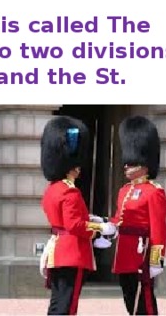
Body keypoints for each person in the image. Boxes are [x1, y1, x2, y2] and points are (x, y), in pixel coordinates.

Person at [39, 116, 116, 315]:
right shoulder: (70, 192)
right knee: (68, 305)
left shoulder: (52, 190)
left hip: (58, 251)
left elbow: (66, 219)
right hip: (72, 253)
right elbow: (74, 225)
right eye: (76, 164)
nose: (79, 167)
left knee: (58, 303)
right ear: (70, 165)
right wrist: (100, 230)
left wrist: (92, 219)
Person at [109, 116, 166, 315]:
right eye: (126, 162)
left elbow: (159, 228)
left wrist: (156, 259)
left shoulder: (154, 192)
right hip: (123, 254)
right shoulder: (124, 190)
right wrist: (103, 226)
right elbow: (119, 219)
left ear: (145, 164)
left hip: (141, 254)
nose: (126, 166)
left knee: (144, 303)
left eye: (131, 162)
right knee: (129, 297)